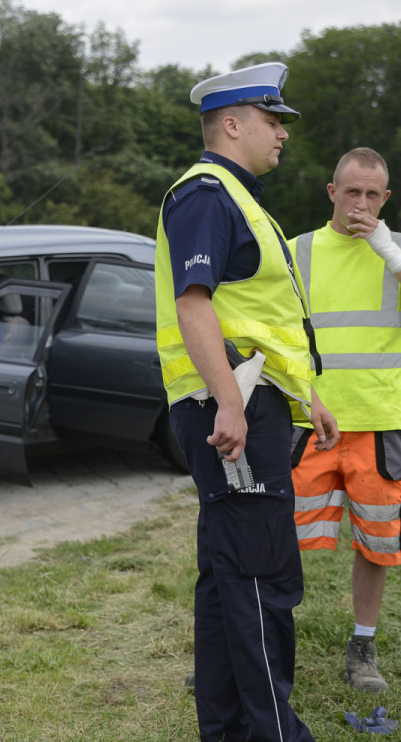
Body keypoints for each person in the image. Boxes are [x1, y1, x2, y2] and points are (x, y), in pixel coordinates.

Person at [154, 61, 339, 742]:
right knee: (263, 577)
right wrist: (231, 404)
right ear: (231, 124)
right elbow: (193, 302)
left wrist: (305, 395)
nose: (282, 133)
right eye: (272, 120)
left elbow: (262, 316)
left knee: (229, 575)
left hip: (251, 402)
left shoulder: (239, 196)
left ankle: (230, 730)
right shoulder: (207, 193)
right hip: (228, 406)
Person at [290, 147, 401, 692]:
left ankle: (362, 647)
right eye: (350, 191)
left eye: (371, 194)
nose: (360, 203)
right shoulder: (298, 252)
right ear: (331, 192)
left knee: (376, 543)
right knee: (273, 535)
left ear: (385, 198)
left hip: (379, 425)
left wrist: (388, 252)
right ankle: (261, 642)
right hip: (306, 424)